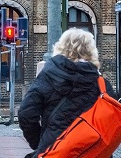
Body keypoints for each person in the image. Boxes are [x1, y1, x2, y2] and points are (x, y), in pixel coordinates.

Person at [18, 28, 115, 158]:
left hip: (55, 150)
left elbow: (26, 113)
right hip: (92, 151)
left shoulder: (47, 77)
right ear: (92, 51)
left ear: (60, 47)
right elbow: (111, 123)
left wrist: (40, 142)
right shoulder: (102, 85)